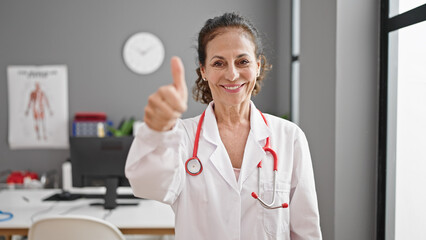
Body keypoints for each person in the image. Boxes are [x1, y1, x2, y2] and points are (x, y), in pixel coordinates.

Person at [125, 12, 322, 240]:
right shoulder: (181, 136)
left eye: (243, 61)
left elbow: (305, 230)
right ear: (204, 71)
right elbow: (147, 186)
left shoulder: (289, 137)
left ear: (257, 67)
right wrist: (157, 131)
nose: (232, 74)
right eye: (219, 63)